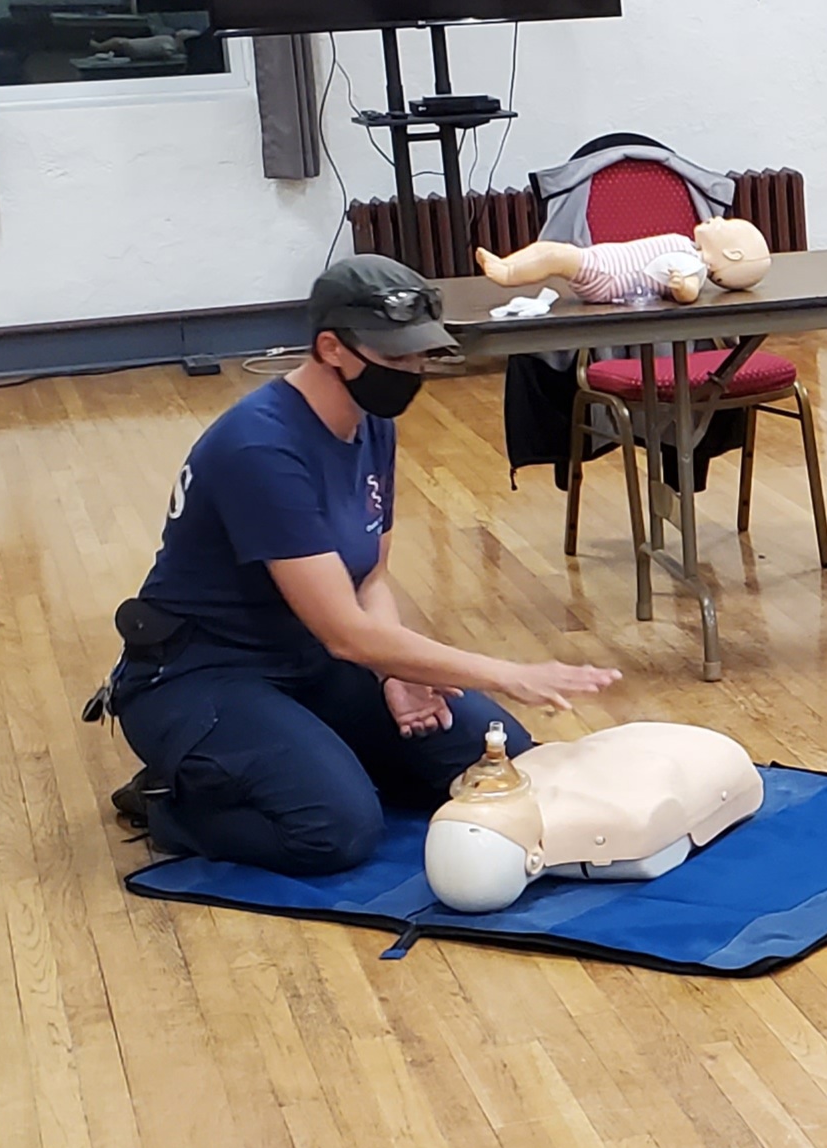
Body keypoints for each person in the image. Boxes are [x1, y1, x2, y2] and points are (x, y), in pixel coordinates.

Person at [104, 256, 620, 873]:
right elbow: (345, 634)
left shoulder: (372, 424)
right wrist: (508, 673)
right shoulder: (259, 448)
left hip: (309, 659)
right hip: (203, 674)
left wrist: (394, 670)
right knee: (335, 830)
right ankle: (172, 801)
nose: (413, 371)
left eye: (421, 355)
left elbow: (369, 575)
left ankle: (319, 760)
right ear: (332, 348)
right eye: (397, 357)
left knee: (494, 757)